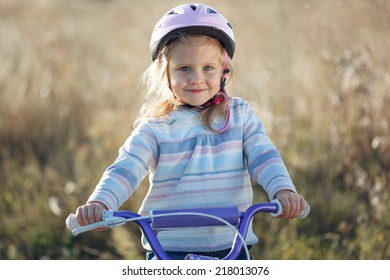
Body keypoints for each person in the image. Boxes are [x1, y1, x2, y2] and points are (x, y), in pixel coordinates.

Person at [73, 3, 307, 260]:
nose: (196, 78)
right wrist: (101, 203)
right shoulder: (156, 125)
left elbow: (264, 156)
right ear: (166, 74)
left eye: (208, 68)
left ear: (224, 72)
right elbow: (127, 166)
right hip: (168, 247)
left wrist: (283, 191)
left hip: (233, 242)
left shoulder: (240, 116)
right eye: (184, 68)